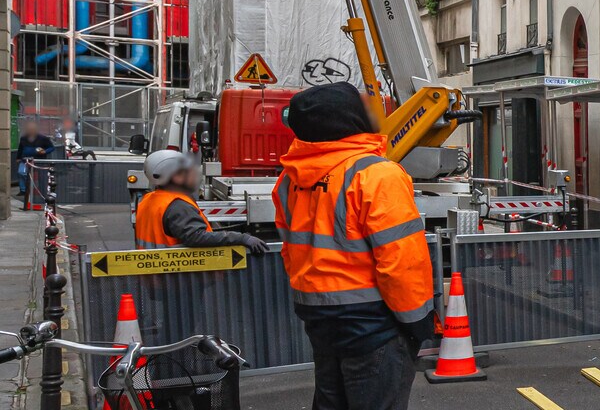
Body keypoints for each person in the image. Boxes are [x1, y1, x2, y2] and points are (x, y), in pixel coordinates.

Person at [274, 83, 434, 410]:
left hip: (319, 318)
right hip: (372, 324)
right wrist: (418, 323)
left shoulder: (290, 179)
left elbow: (291, 251)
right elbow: (402, 262)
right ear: (350, 118)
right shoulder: (376, 175)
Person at [135, 148, 269, 252]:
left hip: (155, 274)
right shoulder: (176, 205)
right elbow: (197, 237)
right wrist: (241, 238)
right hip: (178, 278)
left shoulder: (149, 199)